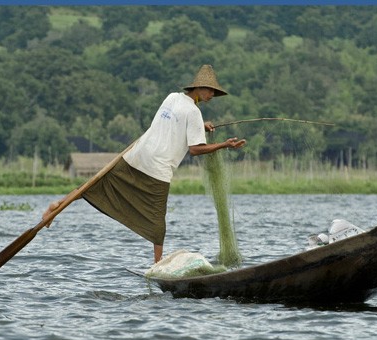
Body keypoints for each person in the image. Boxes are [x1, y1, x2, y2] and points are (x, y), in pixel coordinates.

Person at [42, 64, 246, 263]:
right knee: (157, 224)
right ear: (198, 88)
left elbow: (173, 124)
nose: (211, 95)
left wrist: (200, 127)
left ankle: (58, 205)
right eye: (210, 90)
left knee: (97, 185)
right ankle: (157, 265)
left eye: (213, 91)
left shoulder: (172, 98)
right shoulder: (193, 112)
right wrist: (224, 145)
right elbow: (195, 150)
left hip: (137, 155)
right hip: (157, 168)